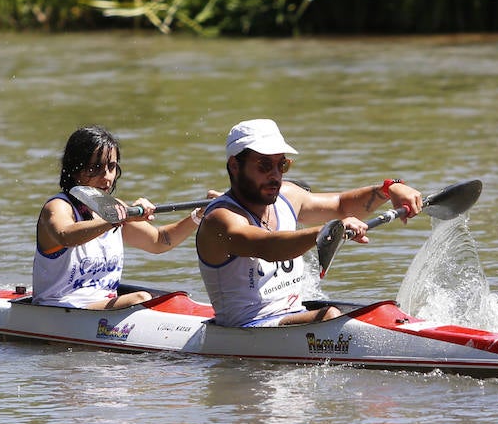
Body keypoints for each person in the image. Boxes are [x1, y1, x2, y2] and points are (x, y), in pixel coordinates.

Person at [195, 118, 423, 327]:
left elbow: (342, 205)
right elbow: (267, 246)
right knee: (330, 316)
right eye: (264, 165)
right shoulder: (220, 219)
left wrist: (388, 189)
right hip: (248, 328)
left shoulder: (287, 195)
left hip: (293, 316)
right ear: (235, 166)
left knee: (384, 308)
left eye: (281, 165)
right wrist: (327, 231)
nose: (275, 175)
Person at [33, 125, 213, 309]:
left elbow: (160, 241)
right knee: (140, 298)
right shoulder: (58, 206)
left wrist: (198, 215)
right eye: (95, 168)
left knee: (169, 297)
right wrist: (118, 219)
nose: (107, 177)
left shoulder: (113, 207)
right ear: (74, 169)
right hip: (58, 308)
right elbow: (66, 236)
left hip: (98, 308)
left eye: (111, 167)